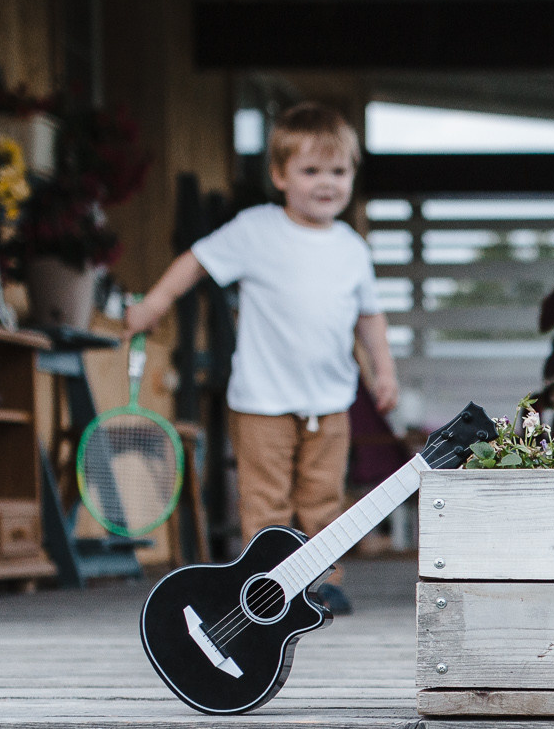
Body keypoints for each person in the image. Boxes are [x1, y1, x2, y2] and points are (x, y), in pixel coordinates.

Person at [125, 103, 399, 562]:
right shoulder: (256, 230)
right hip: (262, 400)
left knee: (323, 503)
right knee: (266, 503)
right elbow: (196, 261)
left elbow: (369, 316)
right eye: (310, 171)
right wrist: (155, 302)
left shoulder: (352, 248)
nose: (326, 183)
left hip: (330, 400)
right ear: (279, 175)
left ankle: (320, 586)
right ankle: (267, 586)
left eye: (338, 171)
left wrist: (384, 372)